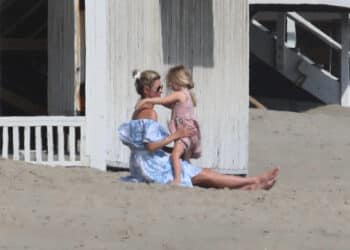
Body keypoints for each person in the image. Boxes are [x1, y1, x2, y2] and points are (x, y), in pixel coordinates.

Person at [118, 69, 279, 189]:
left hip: (140, 164)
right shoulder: (150, 113)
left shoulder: (138, 112)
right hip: (151, 168)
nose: (162, 92)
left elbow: (141, 147)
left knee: (203, 173)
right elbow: (150, 146)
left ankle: (248, 185)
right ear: (147, 91)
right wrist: (176, 135)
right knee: (202, 174)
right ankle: (254, 181)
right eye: (158, 89)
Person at [136, 65, 201, 185]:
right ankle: (186, 177)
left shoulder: (179, 94)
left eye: (170, 82)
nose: (169, 86)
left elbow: (163, 101)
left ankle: (177, 180)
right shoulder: (187, 95)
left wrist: (147, 100)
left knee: (174, 156)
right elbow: (170, 105)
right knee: (183, 160)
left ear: (177, 81)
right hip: (190, 134)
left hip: (184, 133)